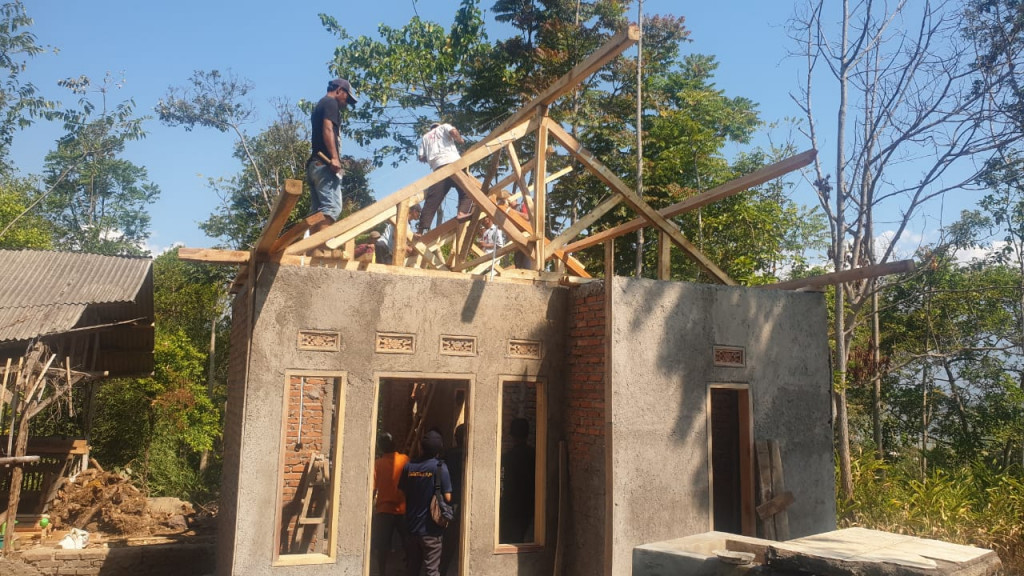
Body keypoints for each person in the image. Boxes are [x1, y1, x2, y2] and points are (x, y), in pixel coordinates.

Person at [399, 429, 452, 576]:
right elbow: (447, 497)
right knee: (431, 570)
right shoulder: (440, 467)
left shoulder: (409, 466)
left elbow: (401, 491)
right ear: (439, 449)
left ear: (421, 447)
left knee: (412, 568)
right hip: (431, 530)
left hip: (411, 527)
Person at [307, 78, 356, 233]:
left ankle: (313, 249)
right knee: (332, 207)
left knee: (318, 212)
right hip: (324, 164)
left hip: (315, 164)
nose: (346, 103)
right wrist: (334, 158)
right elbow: (328, 129)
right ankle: (321, 248)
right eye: (347, 98)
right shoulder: (330, 103)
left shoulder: (321, 104)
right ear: (339, 90)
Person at [416, 122, 470, 236]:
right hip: (454, 163)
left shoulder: (425, 137)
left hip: (439, 168)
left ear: (431, 129)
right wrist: (460, 140)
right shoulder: (444, 127)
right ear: (438, 126)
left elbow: (421, 157)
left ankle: (421, 230)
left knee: (432, 200)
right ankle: (462, 212)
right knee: (467, 190)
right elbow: (453, 132)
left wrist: (432, 159)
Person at [372, 432, 408, 576]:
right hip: (403, 509)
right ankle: (410, 568)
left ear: (380, 447)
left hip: (384, 509)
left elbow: (373, 487)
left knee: (382, 545)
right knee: (407, 541)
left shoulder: (377, 464)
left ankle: (381, 571)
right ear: (394, 445)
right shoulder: (405, 460)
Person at [499, 418, 535, 543]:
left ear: (512, 436)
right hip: (530, 507)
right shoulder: (535, 456)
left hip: (511, 508)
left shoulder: (507, 458)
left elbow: (503, 484)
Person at [439, 424, 466, 576]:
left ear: (456, 437)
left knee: (449, 537)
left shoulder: (448, 454)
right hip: (463, 499)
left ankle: (443, 569)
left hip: (451, 499)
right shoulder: (469, 454)